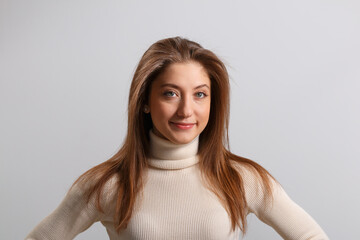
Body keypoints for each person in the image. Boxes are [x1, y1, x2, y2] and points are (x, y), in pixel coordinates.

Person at [25, 37, 329, 240]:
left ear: (213, 102)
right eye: (170, 93)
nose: (186, 110)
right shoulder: (109, 184)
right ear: (144, 101)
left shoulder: (241, 179)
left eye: (200, 95)